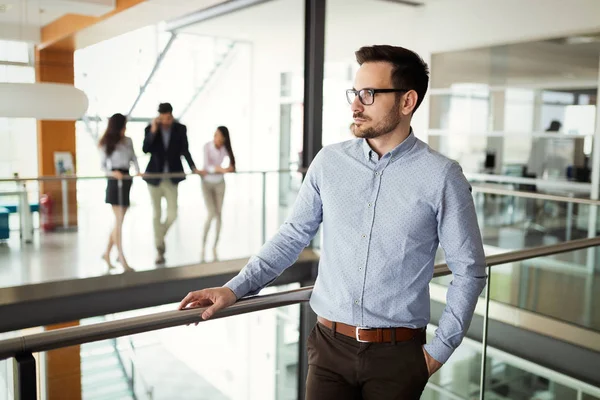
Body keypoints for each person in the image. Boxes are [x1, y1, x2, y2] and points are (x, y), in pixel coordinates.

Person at [179, 45, 487, 399]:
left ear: (407, 102)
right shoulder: (330, 162)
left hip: (398, 357)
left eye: (369, 94)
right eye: (355, 93)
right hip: (328, 349)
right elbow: (292, 236)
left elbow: (469, 271)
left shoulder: (442, 176)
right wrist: (234, 289)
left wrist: (436, 353)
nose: (356, 105)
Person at [143, 103, 199, 265]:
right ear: (159, 117)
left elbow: (185, 150)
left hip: (172, 177)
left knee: (173, 213)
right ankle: (159, 248)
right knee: (156, 213)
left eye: (168, 118)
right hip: (154, 177)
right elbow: (146, 149)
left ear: (172, 115)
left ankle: (159, 236)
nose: (166, 121)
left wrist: (193, 168)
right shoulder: (151, 128)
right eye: (163, 118)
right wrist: (153, 130)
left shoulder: (180, 129)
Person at [99, 113, 139, 271]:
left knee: (118, 221)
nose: (125, 129)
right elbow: (103, 166)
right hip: (114, 180)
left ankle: (107, 253)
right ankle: (121, 257)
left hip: (127, 179)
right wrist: (113, 173)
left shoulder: (128, 141)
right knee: (119, 221)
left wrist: (138, 170)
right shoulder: (105, 142)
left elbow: (134, 158)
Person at [198, 126, 236, 262]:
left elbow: (231, 167)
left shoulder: (225, 149)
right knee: (211, 212)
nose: (217, 137)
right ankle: (203, 243)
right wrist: (220, 169)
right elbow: (206, 166)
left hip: (220, 183)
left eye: (219, 135)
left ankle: (215, 245)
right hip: (207, 183)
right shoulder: (207, 146)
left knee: (219, 214)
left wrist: (225, 170)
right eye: (216, 135)